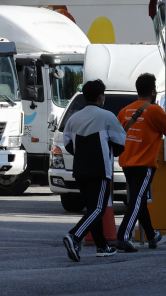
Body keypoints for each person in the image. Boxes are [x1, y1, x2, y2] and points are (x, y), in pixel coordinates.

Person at [61, 79, 127, 261]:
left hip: (80, 169)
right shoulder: (107, 117)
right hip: (100, 169)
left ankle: (102, 246)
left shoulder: (73, 118)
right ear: (101, 97)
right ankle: (74, 236)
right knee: (99, 208)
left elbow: (67, 144)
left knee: (92, 208)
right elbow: (121, 143)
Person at [114, 72, 166, 252]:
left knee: (138, 200)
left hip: (126, 162)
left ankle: (151, 235)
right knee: (136, 201)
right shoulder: (154, 110)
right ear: (153, 91)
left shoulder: (124, 111)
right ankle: (124, 236)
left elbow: (118, 135)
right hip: (144, 164)